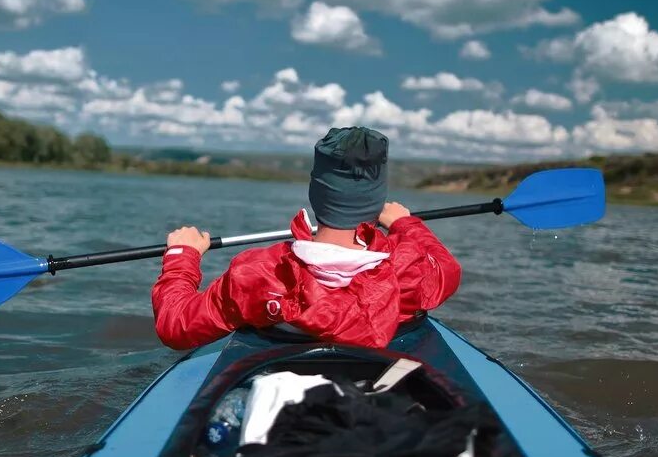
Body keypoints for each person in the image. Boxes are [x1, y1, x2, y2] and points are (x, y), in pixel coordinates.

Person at [151, 127, 462, 350]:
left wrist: (182, 256)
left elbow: (176, 326)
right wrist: (406, 224)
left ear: (316, 193)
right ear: (376, 201)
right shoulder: (415, 270)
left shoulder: (258, 273)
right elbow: (447, 266)